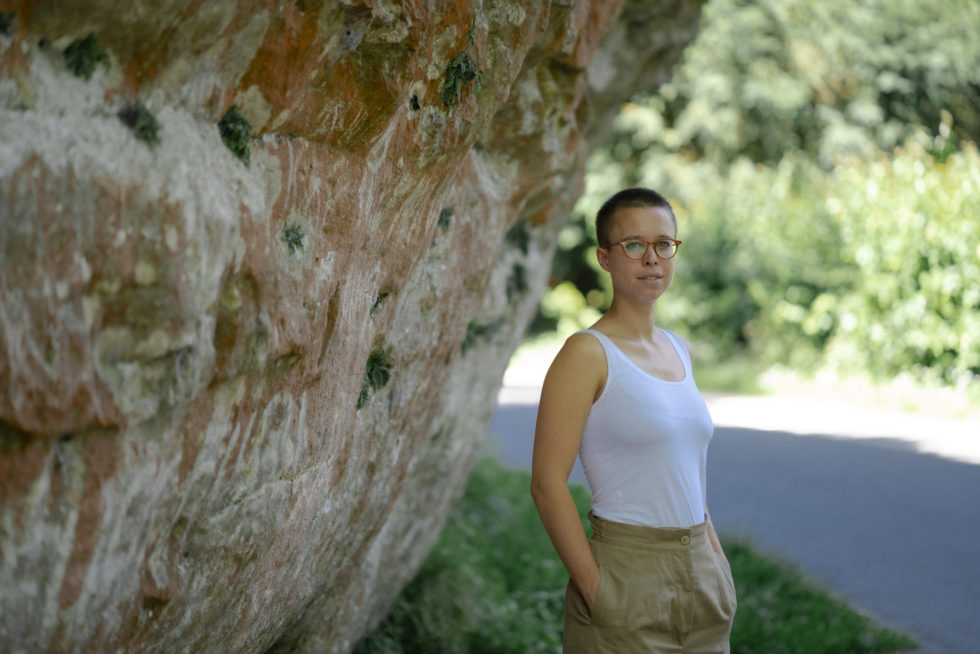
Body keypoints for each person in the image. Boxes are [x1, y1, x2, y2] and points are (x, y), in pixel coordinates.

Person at [530, 188, 736, 653]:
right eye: (634, 245)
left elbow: (685, 474)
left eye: (664, 244)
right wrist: (596, 589)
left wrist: (717, 562)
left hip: (703, 576)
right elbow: (546, 483)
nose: (651, 258)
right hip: (625, 576)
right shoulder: (586, 353)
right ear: (604, 257)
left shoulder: (680, 349)